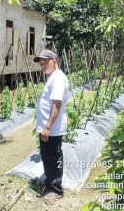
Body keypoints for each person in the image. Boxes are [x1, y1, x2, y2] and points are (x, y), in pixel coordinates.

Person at [33, 49, 69, 199]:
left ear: (54, 60)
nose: (42, 65)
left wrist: (47, 127)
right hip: (47, 128)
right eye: (41, 63)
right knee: (47, 156)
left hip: (52, 129)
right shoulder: (53, 77)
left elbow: (56, 105)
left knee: (54, 157)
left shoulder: (58, 78)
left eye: (45, 62)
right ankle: (49, 182)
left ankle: (56, 190)